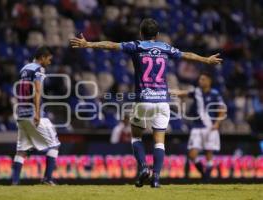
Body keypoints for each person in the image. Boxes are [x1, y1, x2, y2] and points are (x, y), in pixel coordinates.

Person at [70, 18, 222, 188]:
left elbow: (112, 45)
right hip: (162, 102)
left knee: (136, 137)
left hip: (143, 101)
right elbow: (187, 55)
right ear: (157, 35)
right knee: (159, 142)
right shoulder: (165, 47)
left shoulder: (137, 45)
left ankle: (143, 168)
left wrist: (88, 44)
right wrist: (206, 60)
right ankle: (156, 177)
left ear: (141, 33)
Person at [12, 46, 61, 185]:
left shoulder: (24, 69)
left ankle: (14, 183)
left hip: (21, 114)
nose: (49, 62)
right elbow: (37, 91)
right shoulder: (39, 69)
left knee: (21, 149)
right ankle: (47, 179)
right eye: (49, 59)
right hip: (33, 113)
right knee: (54, 144)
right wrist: (38, 113)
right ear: (43, 57)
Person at [170, 72, 226, 180]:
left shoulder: (215, 93)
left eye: (203, 79)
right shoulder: (197, 92)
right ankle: (204, 173)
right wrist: (167, 92)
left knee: (209, 153)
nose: (200, 81)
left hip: (210, 126)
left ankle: (207, 178)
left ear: (209, 81)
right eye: (200, 79)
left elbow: (222, 108)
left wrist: (217, 123)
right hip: (197, 126)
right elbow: (182, 93)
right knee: (192, 154)